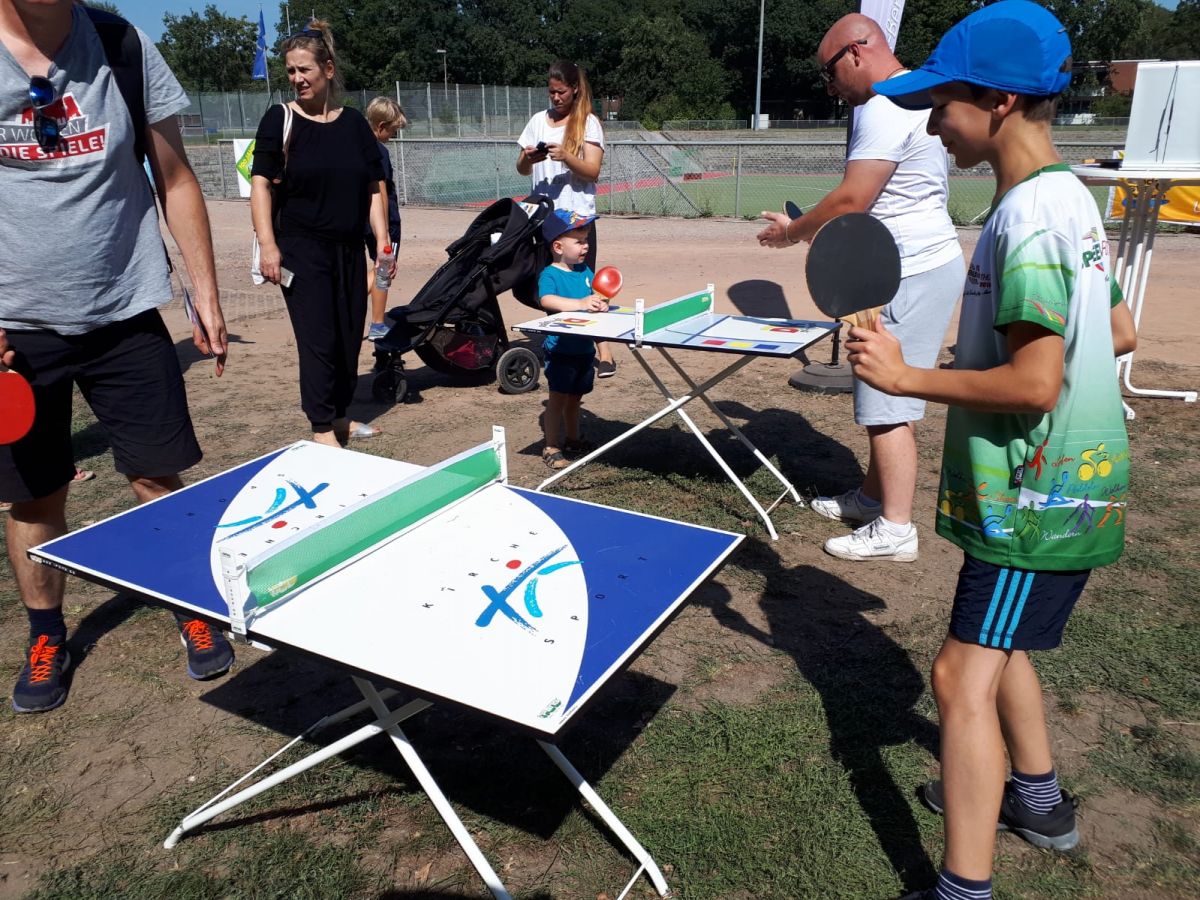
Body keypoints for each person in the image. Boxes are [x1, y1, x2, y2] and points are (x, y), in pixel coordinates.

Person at [848, 3, 1136, 897]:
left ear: (1001, 100)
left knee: (956, 674)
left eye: (945, 102)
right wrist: (973, 355)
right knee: (1000, 652)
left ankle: (962, 887)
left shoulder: (1032, 219)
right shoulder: (1063, 199)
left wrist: (905, 380)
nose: (933, 121)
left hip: (1034, 499)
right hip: (1042, 494)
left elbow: (1037, 386)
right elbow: (1116, 329)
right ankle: (1039, 801)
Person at [0, 0, 232, 713]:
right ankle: (47, 635)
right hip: (18, 327)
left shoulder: (121, 43)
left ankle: (188, 600)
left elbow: (176, 176)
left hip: (126, 312)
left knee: (157, 476)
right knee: (35, 495)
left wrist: (205, 292)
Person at [758, 13, 964, 563]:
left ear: (855, 52)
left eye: (830, 74)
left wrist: (791, 233)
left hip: (903, 272)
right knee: (883, 393)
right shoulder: (915, 90)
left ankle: (895, 529)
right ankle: (874, 499)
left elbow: (853, 199)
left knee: (884, 400)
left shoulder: (880, 103)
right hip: (917, 264)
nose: (830, 88)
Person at [250, 21, 391, 448]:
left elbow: (373, 187)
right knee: (319, 339)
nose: (297, 79)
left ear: (327, 69)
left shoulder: (353, 124)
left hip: (348, 248)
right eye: (291, 71)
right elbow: (260, 184)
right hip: (301, 250)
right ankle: (321, 427)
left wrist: (382, 245)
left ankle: (341, 416)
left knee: (350, 336)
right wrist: (269, 246)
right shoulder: (280, 119)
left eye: (304, 70)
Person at [516, 60, 617, 378]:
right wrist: (528, 158)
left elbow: (593, 171)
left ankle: (604, 351)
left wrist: (567, 157)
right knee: (547, 284)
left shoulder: (588, 123)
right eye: (551, 92)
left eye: (561, 92)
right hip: (543, 220)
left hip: (577, 220)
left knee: (585, 285)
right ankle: (560, 346)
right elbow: (521, 168)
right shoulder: (536, 121)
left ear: (574, 89)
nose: (555, 98)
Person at [536, 209, 607, 469]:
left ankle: (574, 438)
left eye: (586, 240)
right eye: (578, 241)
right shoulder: (550, 275)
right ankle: (551, 445)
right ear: (557, 246)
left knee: (576, 398)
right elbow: (547, 299)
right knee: (557, 399)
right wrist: (579, 303)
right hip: (561, 350)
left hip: (583, 349)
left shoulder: (585, 272)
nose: (585, 246)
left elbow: (593, 298)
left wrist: (598, 304)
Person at [363, 95, 407, 343]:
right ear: (380, 127)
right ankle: (377, 322)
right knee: (384, 269)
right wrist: (386, 234)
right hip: (385, 221)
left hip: (364, 219)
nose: (393, 135)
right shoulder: (378, 151)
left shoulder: (356, 146)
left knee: (378, 267)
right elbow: (379, 188)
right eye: (392, 130)